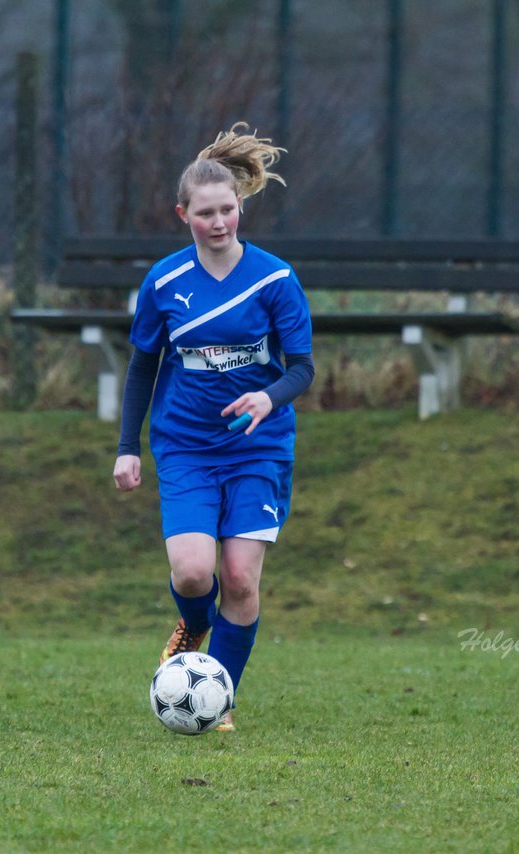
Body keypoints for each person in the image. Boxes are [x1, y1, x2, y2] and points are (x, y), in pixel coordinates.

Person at [112, 123, 315, 733]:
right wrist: (127, 449)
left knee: (239, 579)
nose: (220, 222)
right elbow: (143, 364)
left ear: (241, 206)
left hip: (258, 448)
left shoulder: (275, 279)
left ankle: (216, 700)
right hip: (185, 446)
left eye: (228, 209)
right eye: (206, 213)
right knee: (195, 574)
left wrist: (267, 396)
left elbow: (302, 367)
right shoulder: (165, 282)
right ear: (184, 215)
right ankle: (193, 622)